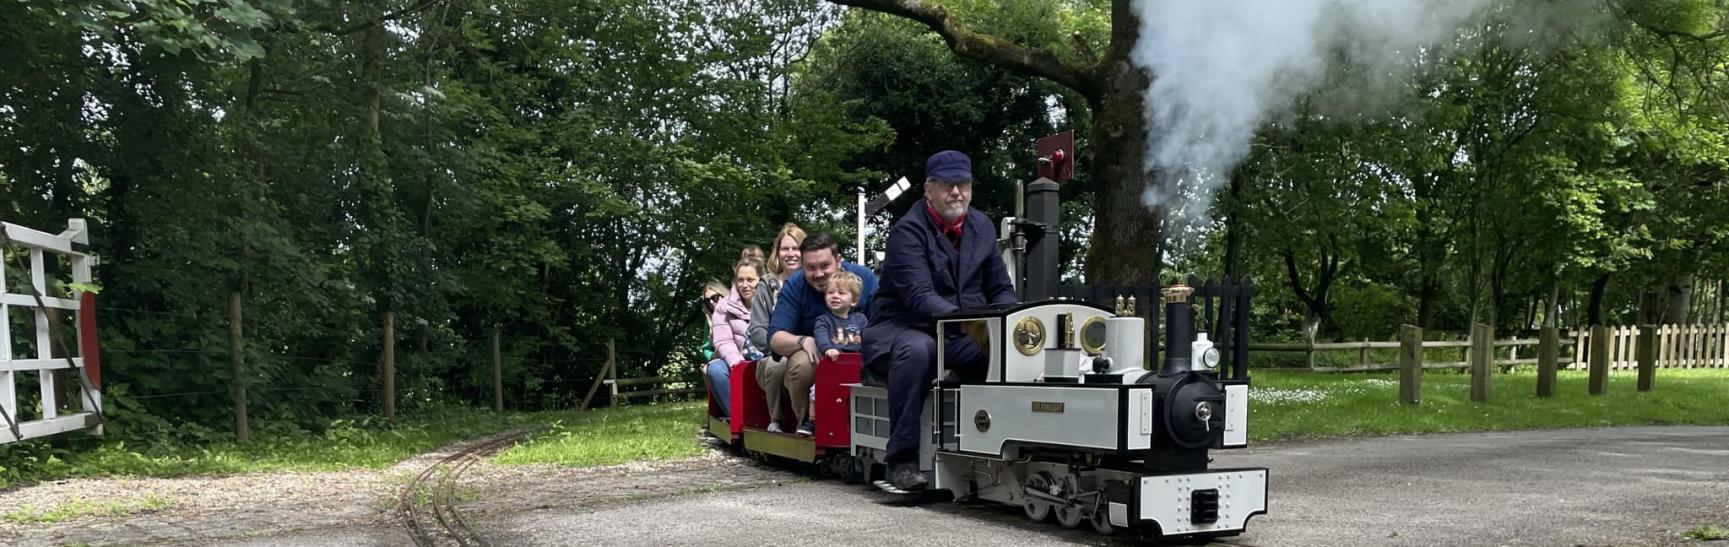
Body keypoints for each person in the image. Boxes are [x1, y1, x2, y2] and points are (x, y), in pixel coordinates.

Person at [862, 150, 1017, 492]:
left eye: (963, 185)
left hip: (959, 331)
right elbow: (919, 297)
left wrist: (1009, 324)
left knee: (1007, 356)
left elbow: (1001, 287)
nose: (957, 193)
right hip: (904, 327)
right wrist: (971, 322)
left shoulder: (982, 226)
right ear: (928, 189)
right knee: (918, 351)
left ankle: (1001, 447)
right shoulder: (907, 231)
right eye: (948, 185)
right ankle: (901, 461)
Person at [768, 233, 878, 435]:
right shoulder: (795, 286)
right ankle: (808, 425)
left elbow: (884, 323)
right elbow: (775, 338)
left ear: (838, 260)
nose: (818, 274)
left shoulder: (864, 279)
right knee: (803, 363)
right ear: (802, 265)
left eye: (825, 266)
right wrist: (803, 340)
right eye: (811, 268)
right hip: (816, 357)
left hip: (859, 352)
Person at [748, 223, 806, 432]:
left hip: (808, 349)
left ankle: (810, 422)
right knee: (778, 365)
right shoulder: (766, 286)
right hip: (774, 354)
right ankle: (777, 420)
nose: (790, 254)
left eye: (796, 248)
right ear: (777, 253)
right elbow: (757, 331)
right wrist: (782, 347)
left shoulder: (816, 282)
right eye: (785, 249)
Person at [707, 257, 764, 420]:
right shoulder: (723, 307)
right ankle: (738, 417)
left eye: (750, 280)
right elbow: (723, 341)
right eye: (740, 280)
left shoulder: (773, 301)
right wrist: (739, 364)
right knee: (715, 369)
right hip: (737, 359)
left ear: (760, 280)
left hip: (766, 358)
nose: (745, 285)